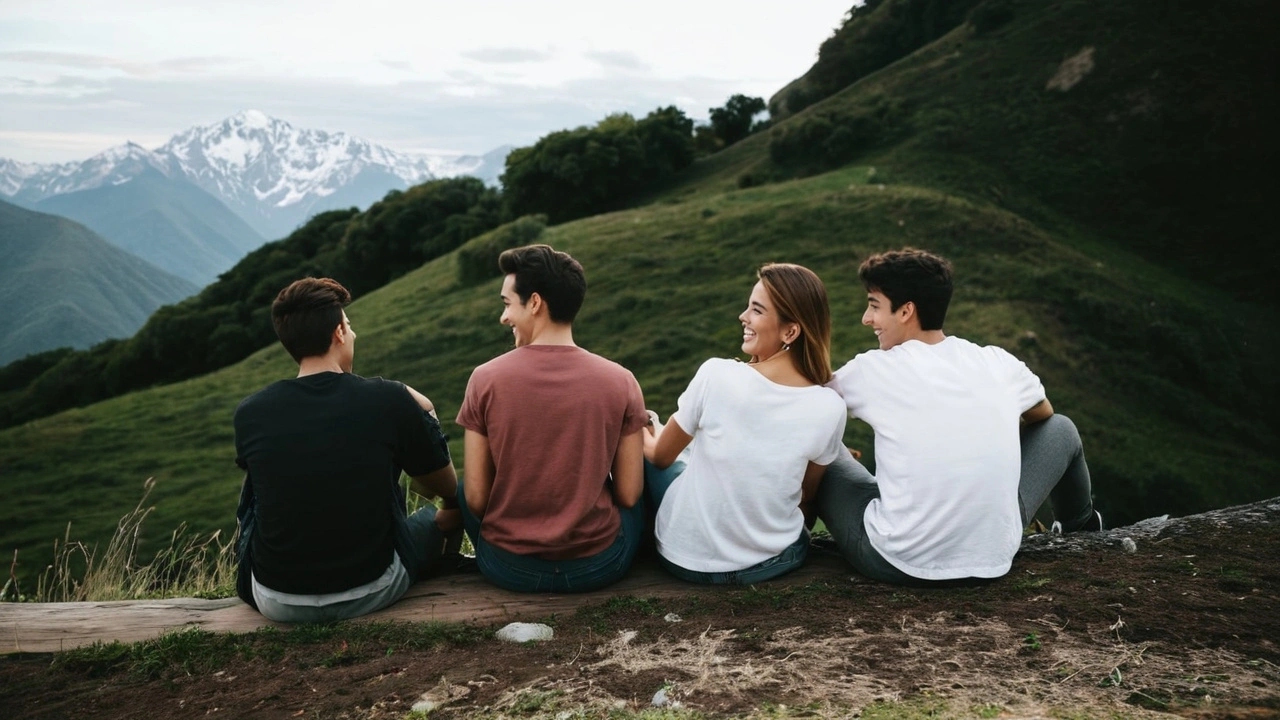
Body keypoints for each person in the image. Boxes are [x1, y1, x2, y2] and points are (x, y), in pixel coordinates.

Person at [818, 248, 1101, 587]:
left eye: (874, 305)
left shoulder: (872, 370)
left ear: (906, 311)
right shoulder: (998, 362)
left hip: (897, 561)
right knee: (1062, 429)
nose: (867, 318)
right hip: (995, 554)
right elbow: (1045, 415)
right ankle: (1081, 527)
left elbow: (804, 405)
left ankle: (779, 543)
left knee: (824, 449)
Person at [233, 277, 460, 622]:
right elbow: (445, 488)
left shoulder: (250, 413)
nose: (353, 335)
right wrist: (419, 408)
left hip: (275, 598)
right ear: (338, 333)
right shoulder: (388, 399)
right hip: (374, 587)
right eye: (349, 326)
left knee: (259, 485)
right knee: (444, 513)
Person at [455, 244, 647, 592]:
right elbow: (630, 495)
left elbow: (477, 501)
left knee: (463, 485)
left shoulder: (484, 378)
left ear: (535, 303)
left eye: (507, 304)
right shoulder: (621, 380)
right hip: (599, 567)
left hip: (510, 570)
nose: (503, 317)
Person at [644, 263, 848, 584]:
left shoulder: (717, 373)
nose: (743, 316)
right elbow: (806, 498)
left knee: (670, 462)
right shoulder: (831, 407)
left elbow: (659, 457)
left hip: (682, 560)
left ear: (790, 332)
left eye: (756, 310)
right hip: (767, 564)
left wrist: (647, 429)